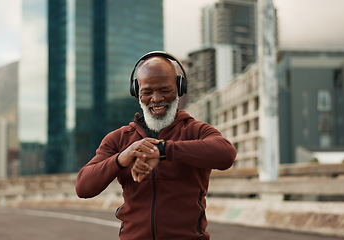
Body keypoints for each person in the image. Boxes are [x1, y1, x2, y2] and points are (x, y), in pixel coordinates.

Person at [76, 51, 236, 240]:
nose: (157, 98)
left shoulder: (196, 131)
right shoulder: (119, 139)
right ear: (137, 92)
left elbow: (226, 154)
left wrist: (162, 150)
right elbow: (83, 187)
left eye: (165, 90)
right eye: (147, 92)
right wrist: (122, 158)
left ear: (179, 88)